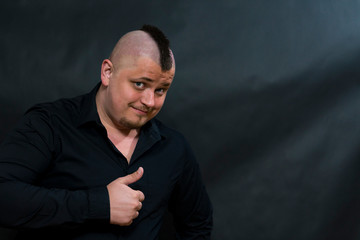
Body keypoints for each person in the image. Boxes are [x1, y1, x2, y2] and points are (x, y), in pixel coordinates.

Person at [0, 25, 213, 239]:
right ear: (107, 72)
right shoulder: (49, 124)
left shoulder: (173, 147)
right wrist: (100, 204)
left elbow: (198, 226)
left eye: (160, 90)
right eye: (139, 84)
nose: (150, 101)